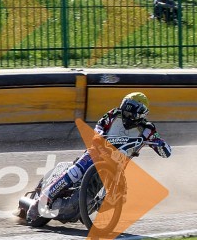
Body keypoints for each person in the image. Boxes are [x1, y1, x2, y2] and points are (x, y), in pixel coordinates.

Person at [27, 92, 172, 223]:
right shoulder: (114, 114)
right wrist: (100, 135)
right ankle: (41, 199)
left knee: (119, 196)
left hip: (116, 168)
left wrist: (159, 145)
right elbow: (98, 128)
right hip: (97, 154)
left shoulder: (148, 129)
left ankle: (90, 209)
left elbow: (166, 152)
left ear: (140, 112)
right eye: (125, 106)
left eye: (130, 108)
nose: (125, 111)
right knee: (76, 171)